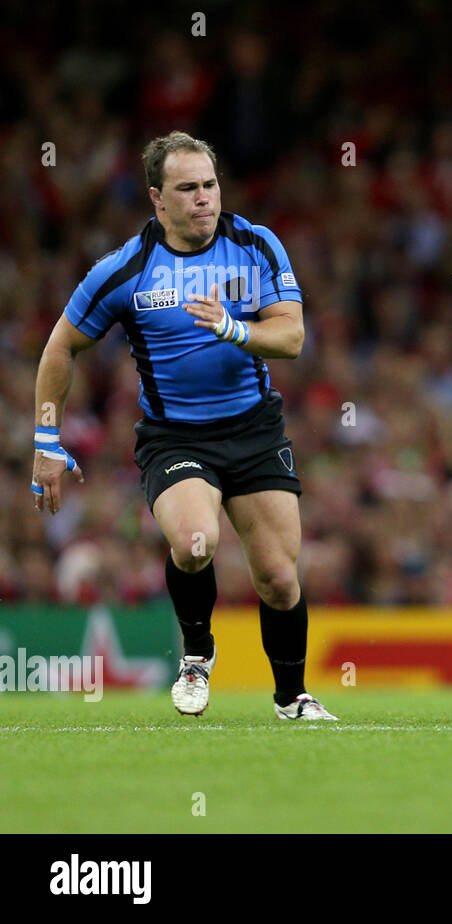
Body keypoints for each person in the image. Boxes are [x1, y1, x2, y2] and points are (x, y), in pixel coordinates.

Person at [31, 131, 336, 721]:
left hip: (254, 430)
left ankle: (291, 698)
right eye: (188, 188)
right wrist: (47, 440)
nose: (204, 199)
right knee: (197, 544)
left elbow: (293, 337)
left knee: (277, 576)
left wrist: (234, 330)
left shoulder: (256, 245)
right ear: (157, 198)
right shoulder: (126, 270)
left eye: (210, 185)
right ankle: (197, 653)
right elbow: (60, 347)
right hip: (175, 437)